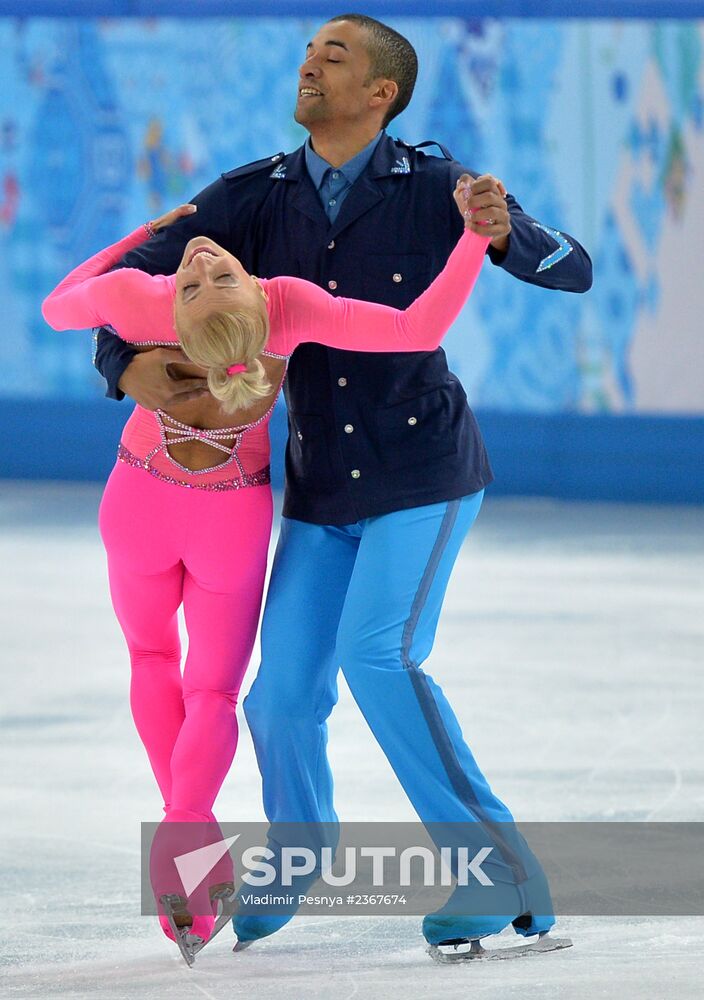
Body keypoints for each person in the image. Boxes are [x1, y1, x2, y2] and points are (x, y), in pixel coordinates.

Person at [92, 14, 592, 955]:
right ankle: (300, 852)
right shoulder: (253, 197)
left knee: (380, 657)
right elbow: (126, 277)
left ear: (381, 94)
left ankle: (497, 874)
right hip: (322, 489)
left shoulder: (442, 186)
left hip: (421, 473)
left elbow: (573, 268)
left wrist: (507, 230)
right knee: (277, 698)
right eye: (308, 52)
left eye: (336, 56)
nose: (310, 65)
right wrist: (122, 364)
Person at [42, 181, 492, 952]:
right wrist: (475, 239)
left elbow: (60, 306)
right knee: (212, 689)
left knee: (154, 660)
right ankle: (194, 826)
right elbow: (421, 324)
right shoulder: (283, 306)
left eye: (209, 275)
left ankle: (188, 860)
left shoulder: (145, 299)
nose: (203, 261)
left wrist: (144, 234)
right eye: (199, 279)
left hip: (140, 506)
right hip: (229, 523)